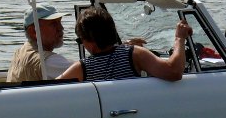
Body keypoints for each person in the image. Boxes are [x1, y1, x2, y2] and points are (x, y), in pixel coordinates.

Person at [57, 7, 193, 83]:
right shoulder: (134, 54)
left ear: (91, 42)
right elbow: (174, 72)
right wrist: (179, 38)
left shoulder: (82, 68)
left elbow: (49, 88)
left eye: (80, 41)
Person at [6, 4, 73, 82]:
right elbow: (85, 71)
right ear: (33, 31)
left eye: (59, 22)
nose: (61, 28)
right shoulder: (48, 61)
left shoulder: (19, 52)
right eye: (53, 24)